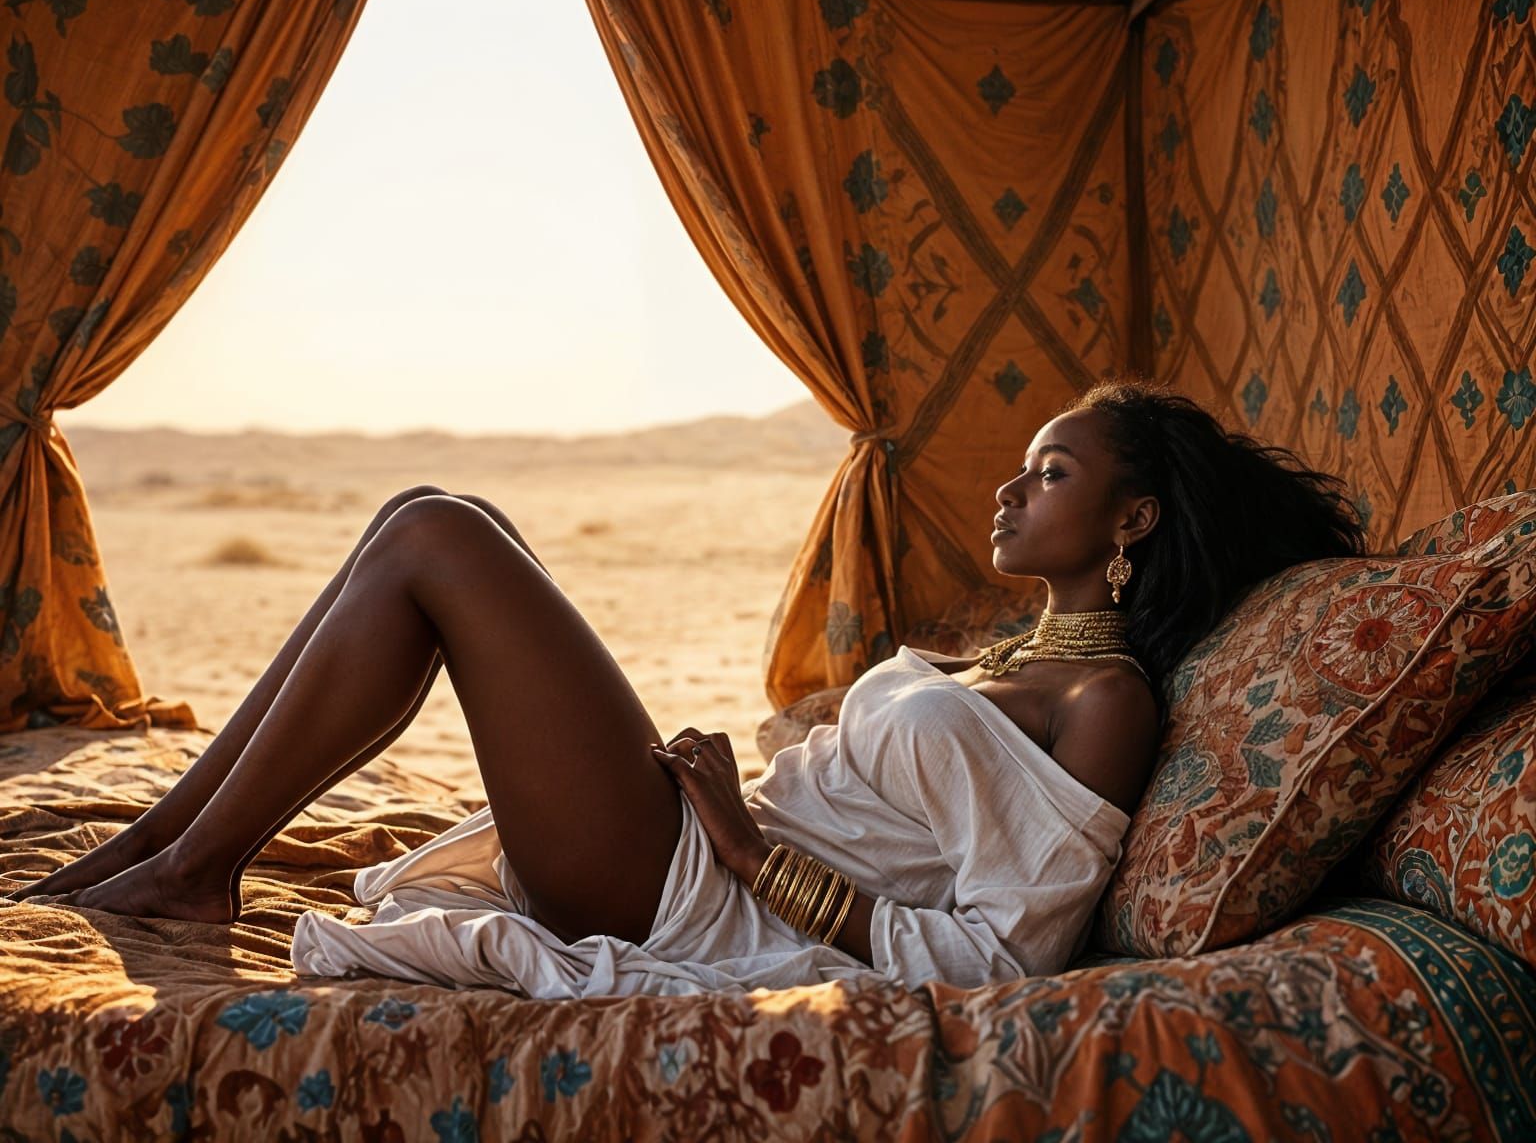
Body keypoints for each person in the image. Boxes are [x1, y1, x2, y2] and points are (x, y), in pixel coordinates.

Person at [9, 378, 1367, 996]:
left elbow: (1001, 957)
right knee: (435, 505)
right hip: (690, 842)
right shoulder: (1021, 658)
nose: (1012, 486)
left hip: (696, 894)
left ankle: (191, 863)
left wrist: (745, 847)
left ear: (1133, 523)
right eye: (1026, 463)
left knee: (440, 540)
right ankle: (170, 845)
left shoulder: (1109, 704)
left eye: (1056, 471)